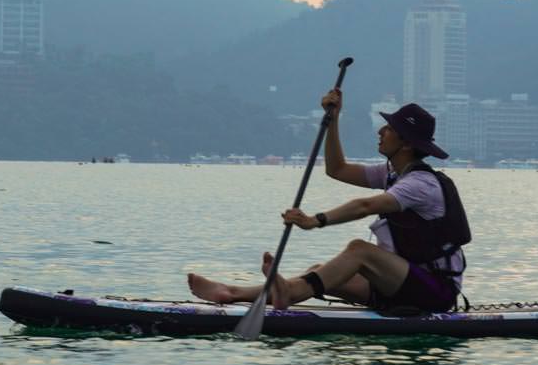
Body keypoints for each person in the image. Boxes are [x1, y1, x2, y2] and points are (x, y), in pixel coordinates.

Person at [187, 91, 469, 313]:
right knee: (317, 272)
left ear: (406, 143)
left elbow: (366, 206)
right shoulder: (392, 174)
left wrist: (315, 221)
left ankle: (288, 293)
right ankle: (232, 293)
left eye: (389, 128)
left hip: (434, 292)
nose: (381, 132)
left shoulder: (421, 185)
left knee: (360, 250)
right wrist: (333, 119)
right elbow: (337, 169)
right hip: (399, 285)